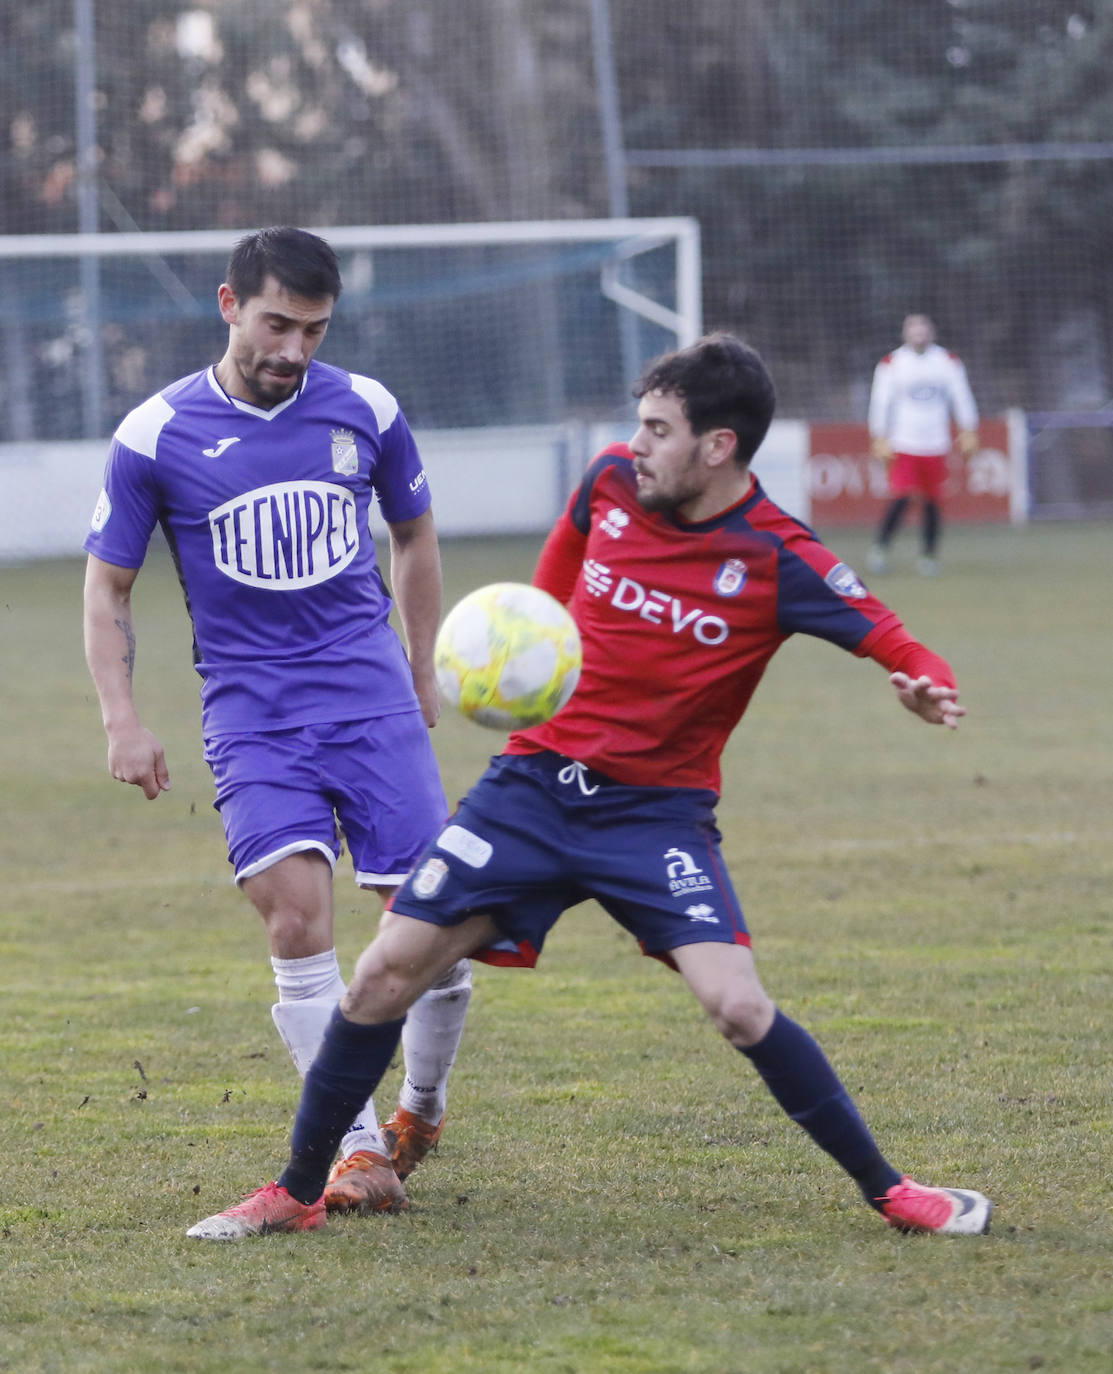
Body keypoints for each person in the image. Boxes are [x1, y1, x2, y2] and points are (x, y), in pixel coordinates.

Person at [187, 331, 993, 1241]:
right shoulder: (609, 482)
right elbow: (542, 601)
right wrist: (516, 668)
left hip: (654, 818)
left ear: (718, 446)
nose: (635, 445)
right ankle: (295, 1192)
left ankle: (892, 1192)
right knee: (380, 975)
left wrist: (923, 682)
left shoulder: (777, 557)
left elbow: (892, 637)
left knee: (735, 1003)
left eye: (657, 429)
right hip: (528, 792)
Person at [83, 226, 472, 1216]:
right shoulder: (155, 435)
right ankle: (353, 1149)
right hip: (253, 712)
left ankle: (421, 1105)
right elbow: (109, 585)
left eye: (313, 328)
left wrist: (419, 666)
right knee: (296, 916)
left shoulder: (367, 409)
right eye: (275, 323)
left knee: (430, 931)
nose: (294, 348)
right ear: (228, 305)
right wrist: (121, 717)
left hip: (371, 698)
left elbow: (416, 533)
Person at [866, 313, 979, 576]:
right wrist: (879, 435)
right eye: (913, 330)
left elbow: (961, 396)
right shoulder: (891, 363)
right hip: (904, 442)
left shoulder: (948, 362)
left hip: (936, 444)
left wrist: (969, 428)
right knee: (902, 496)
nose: (919, 335)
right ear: (905, 334)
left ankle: (929, 555)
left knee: (933, 501)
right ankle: (880, 548)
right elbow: (880, 402)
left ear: (931, 332)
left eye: (923, 329)